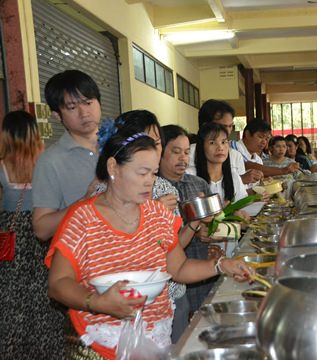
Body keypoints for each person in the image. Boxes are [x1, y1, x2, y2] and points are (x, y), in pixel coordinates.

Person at [46, 130, 253, 359]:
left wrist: (221, 265)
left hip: (154, 339)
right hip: (98, 344)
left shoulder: (158, 214)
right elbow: (58, 283)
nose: (150, 182)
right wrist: (97, 302)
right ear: (113, 167)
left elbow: (179, 269)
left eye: (153, 173)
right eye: (142, 173)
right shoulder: (82, 218)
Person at [94, 110, 191, 343]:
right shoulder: (95, 204)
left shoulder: (165, 189)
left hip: (168, 298)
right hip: (116, 311)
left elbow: (175, 254)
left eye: (157, 143)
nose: (153, 150)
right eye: (144, 142)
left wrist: (195, 228)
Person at [0, 111, 64, 358]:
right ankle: (47, 349)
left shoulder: (3, 166)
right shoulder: (46, 162)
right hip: (43, 230)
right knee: (44, 292)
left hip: (11, 237)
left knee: (11, 296)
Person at [158, 124, 216, 339]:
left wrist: (208, 231)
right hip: (172, 281)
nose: (183, 158)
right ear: (159, 152)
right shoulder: (154, 191)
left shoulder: (198, 184)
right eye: (175, 152)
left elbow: (215, 222)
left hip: (200, 271)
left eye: (186, 152)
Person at [32, 70, 102, 241]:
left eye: (88, 102)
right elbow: (41, 229)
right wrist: (86, 200)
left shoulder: (122, 145)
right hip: (83, 260)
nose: (84, 113)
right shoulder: (50, 160)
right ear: (57, 115)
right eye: (72, 107)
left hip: (131, 253)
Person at [188, 122, 249, 257]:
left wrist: (242, 219)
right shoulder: (190, 176)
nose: (220, 147)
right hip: (199, 256)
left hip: (230, 252)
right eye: (212, 143)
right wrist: (198, 230)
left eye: (224, 142)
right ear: (201, 147)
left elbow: (242, 212)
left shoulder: (233, 177)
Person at [189, 99, 263, 185]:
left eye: (230, 126)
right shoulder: (189, 154)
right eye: (222, 126)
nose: (227, 131)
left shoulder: (235, 156)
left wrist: (257, 193)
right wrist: (239, 180)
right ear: (205, 126)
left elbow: (242, 195)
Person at [231, 119, 300, 177]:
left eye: (267, 139)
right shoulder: (233, 147)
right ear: (248, 134)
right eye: (260, 137)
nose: (264, 142)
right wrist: (283, 170)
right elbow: (247, 165)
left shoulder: (258, 160)